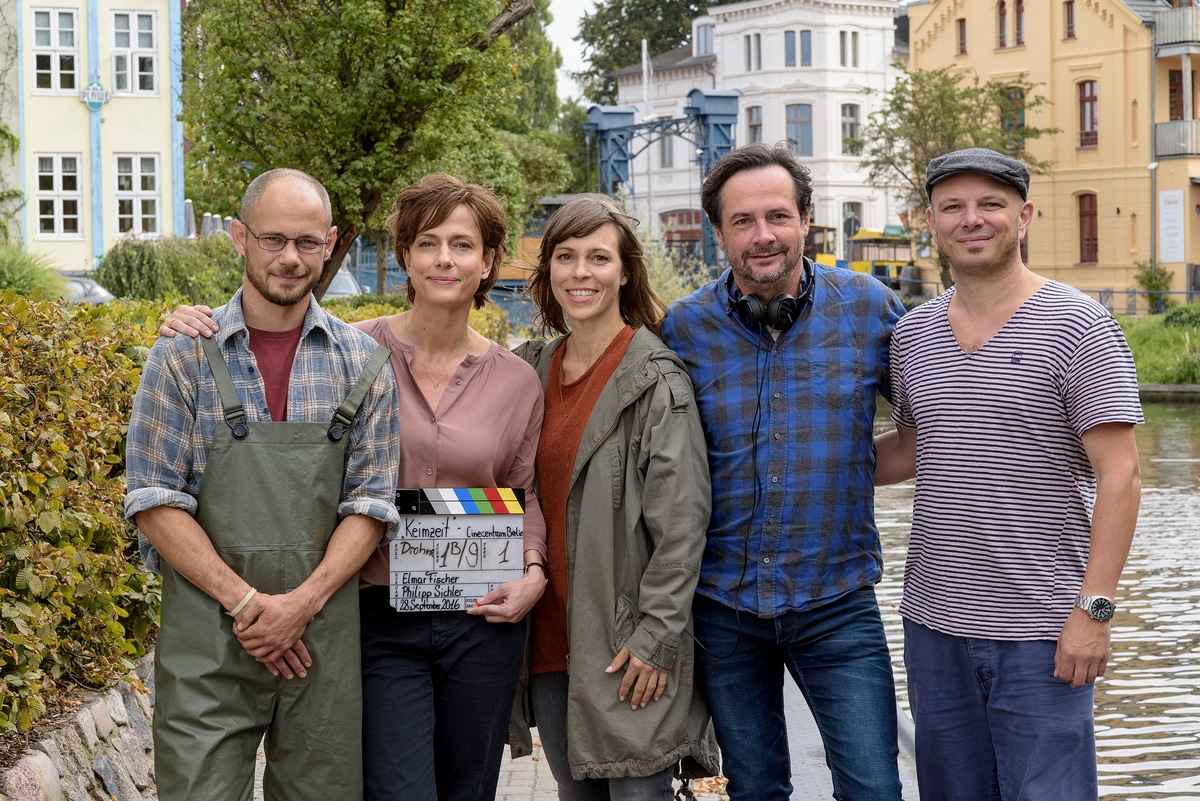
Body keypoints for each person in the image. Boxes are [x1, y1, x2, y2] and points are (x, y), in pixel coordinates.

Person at [159, 173, 548, 801]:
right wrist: (186, 321)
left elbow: (522, 493)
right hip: (376, 614)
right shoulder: (355, 350)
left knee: (468, 789)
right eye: (427, 243)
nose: (444, 259)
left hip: (480, 618)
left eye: (463, 245)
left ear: (488, 263)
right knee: (395, 789)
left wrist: (533, 572)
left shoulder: (517, 379)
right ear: (404, 258)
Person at [874, 147, 1143, 800]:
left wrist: (1094, 611)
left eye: (990, 205)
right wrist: (789, 471)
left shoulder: (1080, 325)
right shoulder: (911, 335)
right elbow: (914, 446)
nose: (973, 220)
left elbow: (1123, 475)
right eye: (953, 207)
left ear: (1022, 218)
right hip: (935, 627)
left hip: (1044, 631)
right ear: (931, 223)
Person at [125, 168, 401, 801]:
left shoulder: (361, 364)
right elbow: (153, 499)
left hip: (319, 643)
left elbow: (370, 504)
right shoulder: (183, 356)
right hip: (208, 646)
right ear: (238, 237)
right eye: (272, 239)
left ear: (331, 243)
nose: (289, 258)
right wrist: (247, 604)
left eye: (306, 242)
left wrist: (298, 606)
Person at [659, 143, 907, 801]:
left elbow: (926, 431)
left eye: (777, 216)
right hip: (723, 607)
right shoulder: (683, 329)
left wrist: (846, 470)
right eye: (742, 221)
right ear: (719, 232)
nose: (762, 235)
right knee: (757, 787)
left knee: (875, 787)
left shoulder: (870, 310)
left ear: (806, 221)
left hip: (837, 601)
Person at [508, 195, 720, 799]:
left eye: (598, 258)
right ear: (547, 268)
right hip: (551, 644)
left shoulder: (655, 380)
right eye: (566, 256)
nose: (581, 273)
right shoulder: (532, 369)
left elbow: (683, 524)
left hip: (627, 651)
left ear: (625, 270)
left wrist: (654, 639)